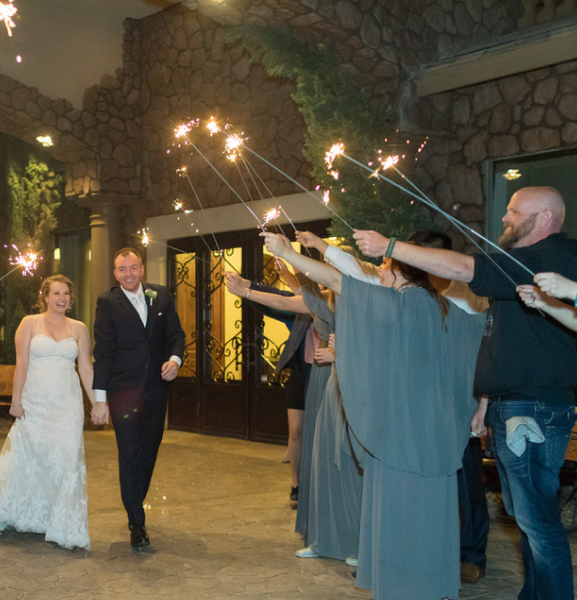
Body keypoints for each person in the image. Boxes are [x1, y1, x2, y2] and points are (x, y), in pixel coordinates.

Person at [354, 186, 577, 599]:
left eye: (514, 211)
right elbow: (511, 341)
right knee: (526, 518)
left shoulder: (551, 258)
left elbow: (461, 267)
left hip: (533, 410)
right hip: (511, 405)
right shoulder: (527, 264)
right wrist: (486, 401)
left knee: (539, 521)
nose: (506, 217)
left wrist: (390, 245)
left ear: (544, 217)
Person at [264, 231, 485, 600]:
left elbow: (338, 279)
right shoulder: (441, 306)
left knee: (400, 510)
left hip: (400, 429)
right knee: (428, 511)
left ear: (400, 269)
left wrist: (288, 252)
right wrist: (480, 403)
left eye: (384, 263)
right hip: (436, 429)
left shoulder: (404, 303)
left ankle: (403, 586)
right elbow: (477, 345)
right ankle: (431, 583)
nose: (379, 270)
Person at [0, 275, 97, 549]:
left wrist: (98, 402)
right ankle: (27, 514)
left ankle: (63, 524)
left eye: (66, 293)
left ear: (71, 298)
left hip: (67, 405)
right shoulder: (30, 323)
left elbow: (86, 369)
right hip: (35, 403)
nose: (61, 298)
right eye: (56, 293)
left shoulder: (79, 328)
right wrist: (16, 401)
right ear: (45, 296)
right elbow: (22, 365)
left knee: (66, 460)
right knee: (30, 459)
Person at [91, 248, 186, 547]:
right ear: (115, 273)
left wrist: (175, 360)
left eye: (133, 268)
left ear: (142, 269)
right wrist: (100, 399)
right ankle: (136, 521)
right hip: (123, 392)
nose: (128, 274)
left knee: (149, 450)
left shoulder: (161, 295)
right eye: (122, 269)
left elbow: (177, 335)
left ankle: (134, 500)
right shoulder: (107, 302)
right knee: (130, 451)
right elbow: (103, 352)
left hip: (157, 389)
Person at [225, 266, 313, 505]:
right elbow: (276, 299)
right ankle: (296, 484)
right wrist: (245, 284)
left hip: (324, 375)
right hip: (299, 372)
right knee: (295, 431)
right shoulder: (302, 301)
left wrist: (244, 290)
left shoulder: (326, 301)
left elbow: (286, 300)